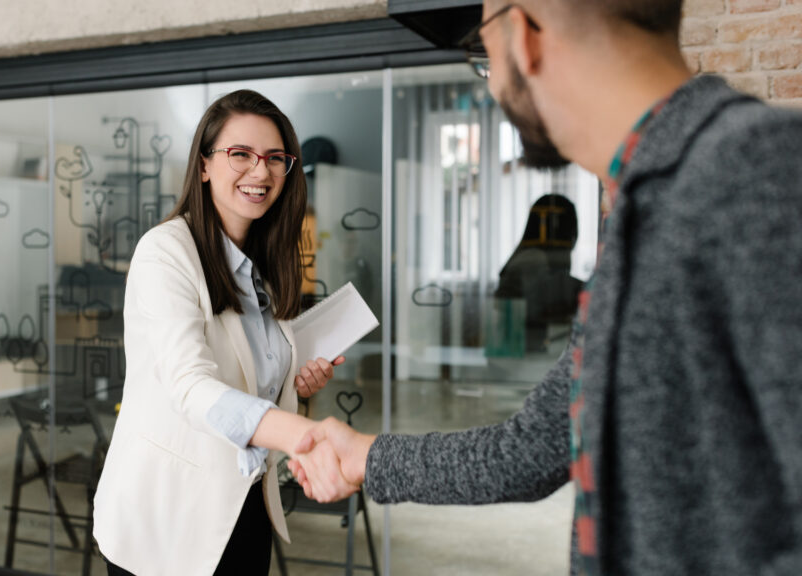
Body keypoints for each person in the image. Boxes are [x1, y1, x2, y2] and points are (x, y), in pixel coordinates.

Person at [290, 1, 802, 575]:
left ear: (524, 34)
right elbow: (530, 452)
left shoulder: (763, 170)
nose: (492, 85)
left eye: (484, 57)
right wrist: (366, 455)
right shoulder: (639, 211)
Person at [93, 89, 345, 576]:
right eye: (240, 155)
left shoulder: (265, 265)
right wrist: (306, 436)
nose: (261, 171)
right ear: (204, 165)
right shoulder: (165, 252)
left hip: (244, 504)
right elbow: (191, 385)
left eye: (275, 158)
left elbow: (249, 378)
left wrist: (295, 378)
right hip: (164, 518)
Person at [494, 193, 582, 352]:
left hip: (527, 350)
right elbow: (542, 305)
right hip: (520, 355)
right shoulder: (534, 258)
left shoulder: (534, 256)